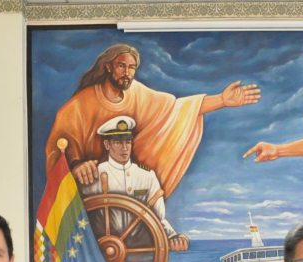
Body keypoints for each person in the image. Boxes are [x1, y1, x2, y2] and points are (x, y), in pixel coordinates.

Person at [45, 43, 260, 197]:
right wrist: (77, 165)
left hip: (124, 187)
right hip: (90, 188)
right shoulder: (82, 104)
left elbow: (177, 109)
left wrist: (222, 100)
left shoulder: (137, 93)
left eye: (132, 68)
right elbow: (63, 142)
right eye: (122, 66)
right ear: (108, 67)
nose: (127, 73)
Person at [81, 115, 190, 252]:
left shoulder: (147, 177)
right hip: (101, 253)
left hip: (141, 253)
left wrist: (173, 236)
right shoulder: (93, 175)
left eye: (128, 142)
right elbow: (81, 216)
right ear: (107, 144)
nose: (125, 148)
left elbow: (158, 218)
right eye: (118, 143)